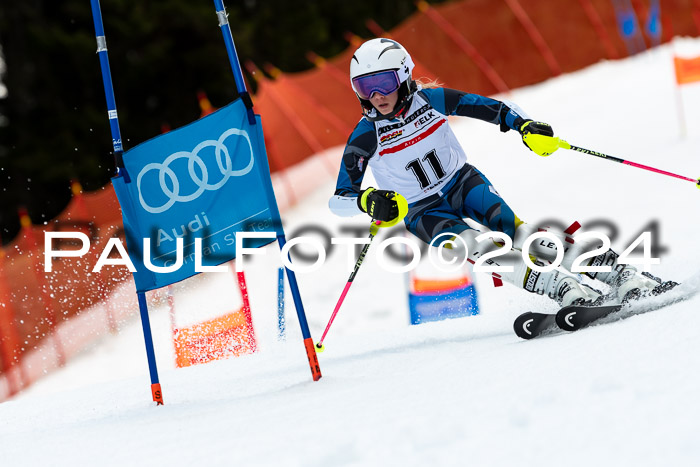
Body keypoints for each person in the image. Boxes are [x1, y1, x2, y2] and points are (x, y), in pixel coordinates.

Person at [329, 38, 673, 307]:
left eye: (384, 82)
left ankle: (616, 271)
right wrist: (368, 201)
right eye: (364, 87)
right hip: (421, 210)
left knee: (518, 233)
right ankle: (562, 287)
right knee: (476, 248)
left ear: (403, 75)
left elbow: (492, 108)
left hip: (462, 182)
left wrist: (524, 125)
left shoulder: (432, 101)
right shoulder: (365, 134)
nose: (376, 96)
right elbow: (339, 200)